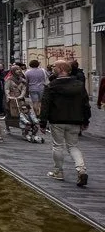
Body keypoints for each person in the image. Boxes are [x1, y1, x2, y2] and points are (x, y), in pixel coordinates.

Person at [40, 59, 90, 187]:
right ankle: (81, 169)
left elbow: (45, 105)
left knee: (57, 146)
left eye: (54, 67)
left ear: (61, 69)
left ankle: (58, 172)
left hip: (57, 119)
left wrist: (43, 122)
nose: (52, 69)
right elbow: (85, 103)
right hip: (75, 119)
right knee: (73, 146)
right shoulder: (79, 84)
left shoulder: (51, 85)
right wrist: (85, 119)